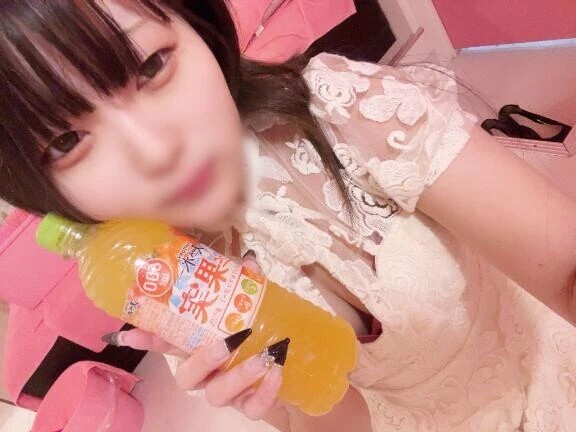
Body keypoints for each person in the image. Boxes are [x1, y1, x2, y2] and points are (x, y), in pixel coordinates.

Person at [1, 1, 576, 431]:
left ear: (201, 29)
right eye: (66, 142)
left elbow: (565, 269)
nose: (156, 152)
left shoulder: (344, 110)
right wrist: (283, 398)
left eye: (152, 66)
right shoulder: (171, 287)